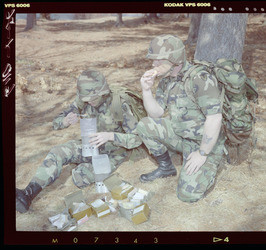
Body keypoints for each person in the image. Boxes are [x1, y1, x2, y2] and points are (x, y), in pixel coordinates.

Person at [16, 69, 143, 213]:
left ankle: (85, 167)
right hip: (88, 145)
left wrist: (110, 136)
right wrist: (65, 121)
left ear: (102, 92)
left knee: (79, 177)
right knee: (57, 152)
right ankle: (27, 194)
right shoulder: (83, 99)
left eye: (93, 98)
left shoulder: (119, 105)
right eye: (86, 99)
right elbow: (56, 122)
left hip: (112, 152)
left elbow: (137, 138)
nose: (89, 101)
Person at [136, 34, 225, 203]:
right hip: (180, 134)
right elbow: (156, 114)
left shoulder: (200, 78)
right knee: (145, 125)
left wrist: (202, 153)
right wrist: (146, 90)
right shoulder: (166, 81)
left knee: (187, 194)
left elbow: (214, 118)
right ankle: (166, 167)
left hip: (203, 142)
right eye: (152, 60)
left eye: (158, 60)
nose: (153, 64)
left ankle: (210, 165)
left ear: (175, 59)